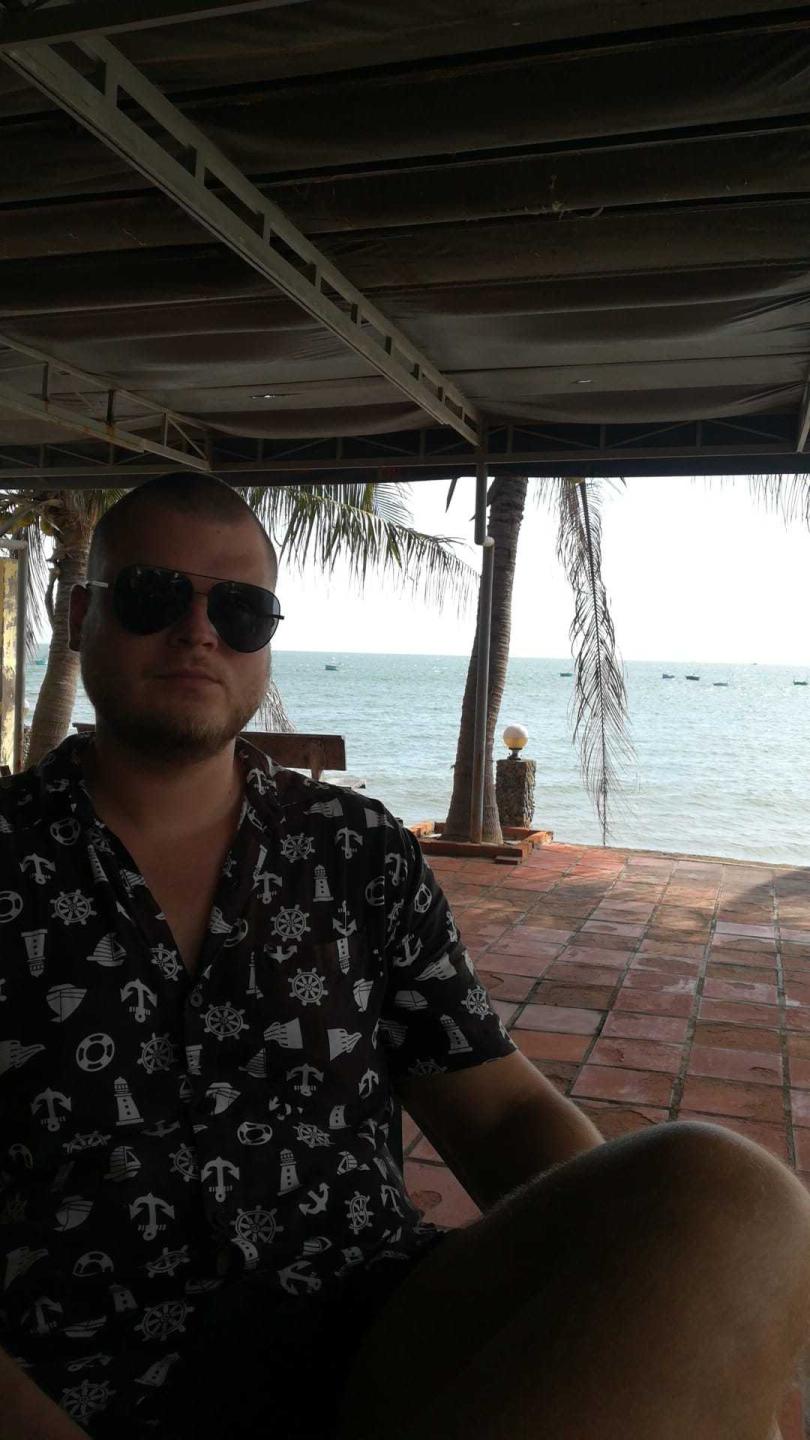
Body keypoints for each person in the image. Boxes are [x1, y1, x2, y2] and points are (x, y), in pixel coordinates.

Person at [0, 472, 808, 1440]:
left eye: (241, 609)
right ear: (80, 613)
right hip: (85, 1369)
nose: (199, 632)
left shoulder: (354, 850)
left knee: (727, 1193)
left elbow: (500, 1110)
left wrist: (614, 1258)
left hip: (377, 1329)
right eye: (153, 595)